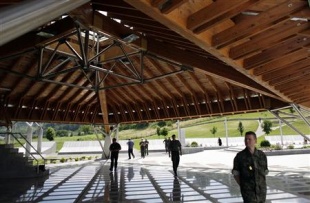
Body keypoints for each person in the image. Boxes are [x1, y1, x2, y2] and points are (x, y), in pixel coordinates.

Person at [232, 131, 268, 203]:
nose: (247, 141)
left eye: (249, 139)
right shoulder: (240, 156)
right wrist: (243, 185)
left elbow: (265, 172)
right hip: (248, 192)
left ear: (255, 140)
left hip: (261, 191)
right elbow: (236, 174)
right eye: (245, 139)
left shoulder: (262, 155)